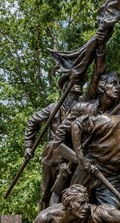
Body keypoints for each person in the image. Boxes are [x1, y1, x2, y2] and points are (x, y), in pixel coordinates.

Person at [48, 71, 120, 203]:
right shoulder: (82, 108)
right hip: (81, 163)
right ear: (101, 87)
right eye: (113, 83)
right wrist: (61, 161)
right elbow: (60, 134)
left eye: (119, 84)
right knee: (59, 200)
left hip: (107, 169)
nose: (118, 87)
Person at [24, 82, 83, 211]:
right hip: (51, 154)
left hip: (71, 154)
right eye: (73, 94)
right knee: (45, 192)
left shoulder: (81, 109)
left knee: (65, 191)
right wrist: (28, 146)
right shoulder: (53, 108)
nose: (76, 98)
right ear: (65, 90)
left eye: (77, 95)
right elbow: (33, 120)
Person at [33, 184, 120, 223]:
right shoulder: (45, 218)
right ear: (69, 205)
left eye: (86, 202)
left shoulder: (88, 211)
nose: (86, 207)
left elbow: (108, 213)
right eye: (81, 203)